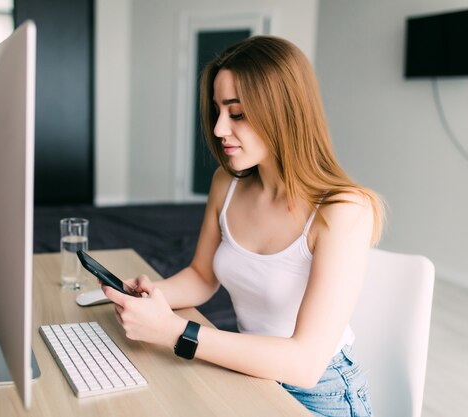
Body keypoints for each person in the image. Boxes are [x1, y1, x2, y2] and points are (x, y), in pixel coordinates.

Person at [102, 35, 384, 417]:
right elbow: (203, 275)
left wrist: (173, 332)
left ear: (284, 112)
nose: (219, 129)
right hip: (248, 370)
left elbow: (304, 362)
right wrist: (151, 301)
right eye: (218, 111)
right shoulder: (227, 183)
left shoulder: (343, 210)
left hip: (319, 393)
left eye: (236, 114)